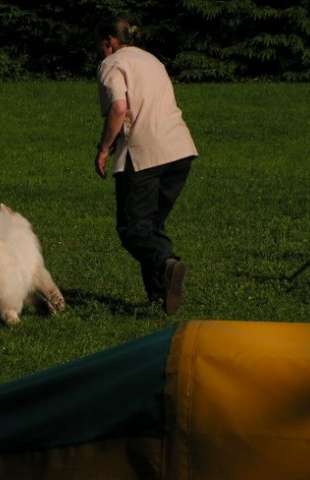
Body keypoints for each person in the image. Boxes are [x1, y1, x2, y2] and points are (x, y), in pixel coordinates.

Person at [94, 17, 197, 315]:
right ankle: (159, 294)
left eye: (101, 45)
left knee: (132, 229)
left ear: (109, 41)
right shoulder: (152, 60)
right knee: (152, 225)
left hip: (145, 153)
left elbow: (118, 107)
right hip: (180, 149)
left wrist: (103, 149)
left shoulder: (113, 63)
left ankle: (167, 266)